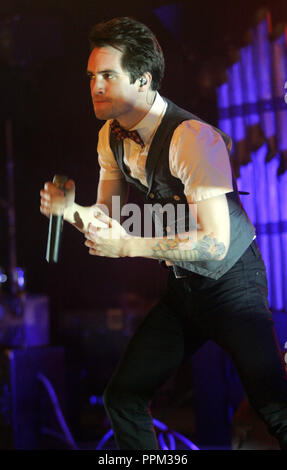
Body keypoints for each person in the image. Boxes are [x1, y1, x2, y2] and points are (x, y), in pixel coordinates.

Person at [40, 16, 287, 450]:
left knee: (275, 408)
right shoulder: (109, 138)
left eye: (108, 76)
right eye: (92, 76)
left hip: (233, 283)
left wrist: (130, 246)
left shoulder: (192, 139)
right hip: (184, 288)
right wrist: (69, 211)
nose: (95, 85)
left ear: (142, 79)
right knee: (123, 398)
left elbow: (215, 243)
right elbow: (108, 218)